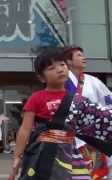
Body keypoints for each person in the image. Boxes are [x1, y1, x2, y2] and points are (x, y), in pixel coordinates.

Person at [8, 48, 112, 180]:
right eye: (52, 68)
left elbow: (97, 121)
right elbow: (25, 129)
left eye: (62, 65)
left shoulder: (77, 99)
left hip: (70, 151)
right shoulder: (36, 97)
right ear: (41, 78)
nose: (59, 69)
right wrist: (17, 156)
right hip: (44, 152)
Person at [64, 46, 112, 179]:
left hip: (92, 137)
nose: (83, 58)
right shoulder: (61, 83)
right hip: (68, 137)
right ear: (69, 61)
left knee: (93, 173)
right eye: (79, 55)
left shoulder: (93, 82)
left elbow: (108, 103)